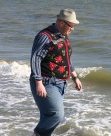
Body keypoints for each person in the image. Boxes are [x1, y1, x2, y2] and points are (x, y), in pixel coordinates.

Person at [30, 8, 82, 136]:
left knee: (49, 115)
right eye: (71, 25)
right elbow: (35, 58)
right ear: (61, 23)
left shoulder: (63, 36)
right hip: (46, 82)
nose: (72, 29)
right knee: (57, 116)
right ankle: (38, 133)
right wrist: (38, 82)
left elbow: (66, 58)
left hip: (61, 83)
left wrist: (75, 76)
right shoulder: (44, 36)